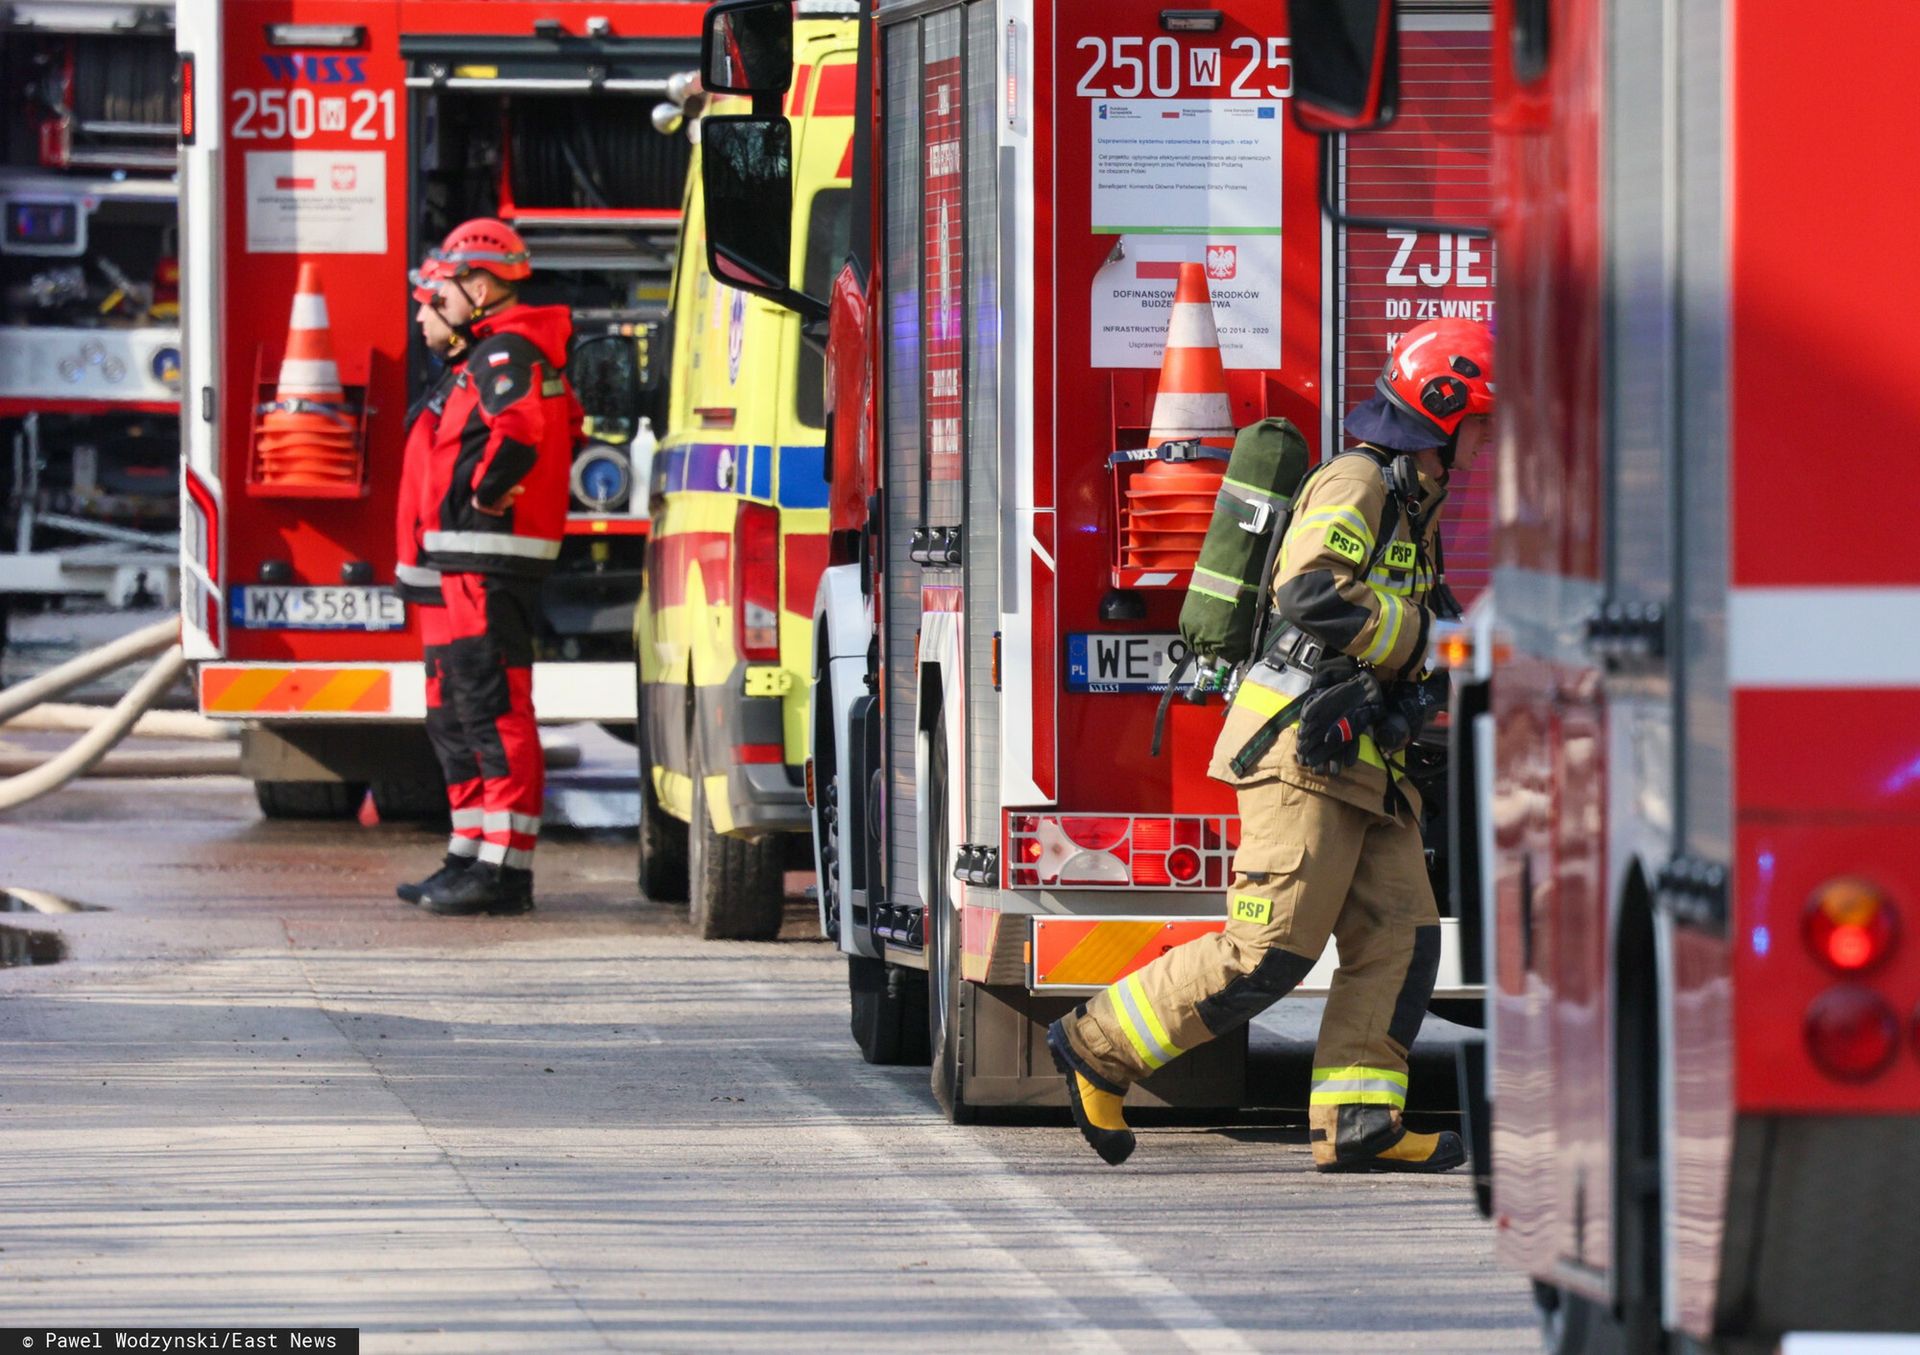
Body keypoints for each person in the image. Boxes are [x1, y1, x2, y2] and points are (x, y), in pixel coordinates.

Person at [1048, 318, 1494, 1173]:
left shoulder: (1415, 498)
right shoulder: (1359, 482)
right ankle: (1096, 1046)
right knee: (1271, 949)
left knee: (1402, 936)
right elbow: (1310, 590)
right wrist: (1416, 640)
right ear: (1443, 410)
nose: (1487, 441)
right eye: (1481, 420)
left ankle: (1359, 1121)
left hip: (1368, 763)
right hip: (1304, 752)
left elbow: (1424, 611)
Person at [412, 218, 582, 916]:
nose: (432, 308)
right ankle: (476, 857)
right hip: (476, 557)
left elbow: (521, 432)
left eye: (440, 294)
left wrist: (483, 495)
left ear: (478, 287)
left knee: (496, 709)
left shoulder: (505, 355)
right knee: (470, 709)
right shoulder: (497, 353)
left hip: (491, 556)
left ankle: (503, 872)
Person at [394, 255, 484, 904]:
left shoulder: (480, 377)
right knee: (446, 721)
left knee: (468, 718)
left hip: (457, 577)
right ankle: (464, 847)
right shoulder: (451, 380)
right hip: (434, 580)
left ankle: (484, 859)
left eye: (430, 303)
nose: (419, 316)